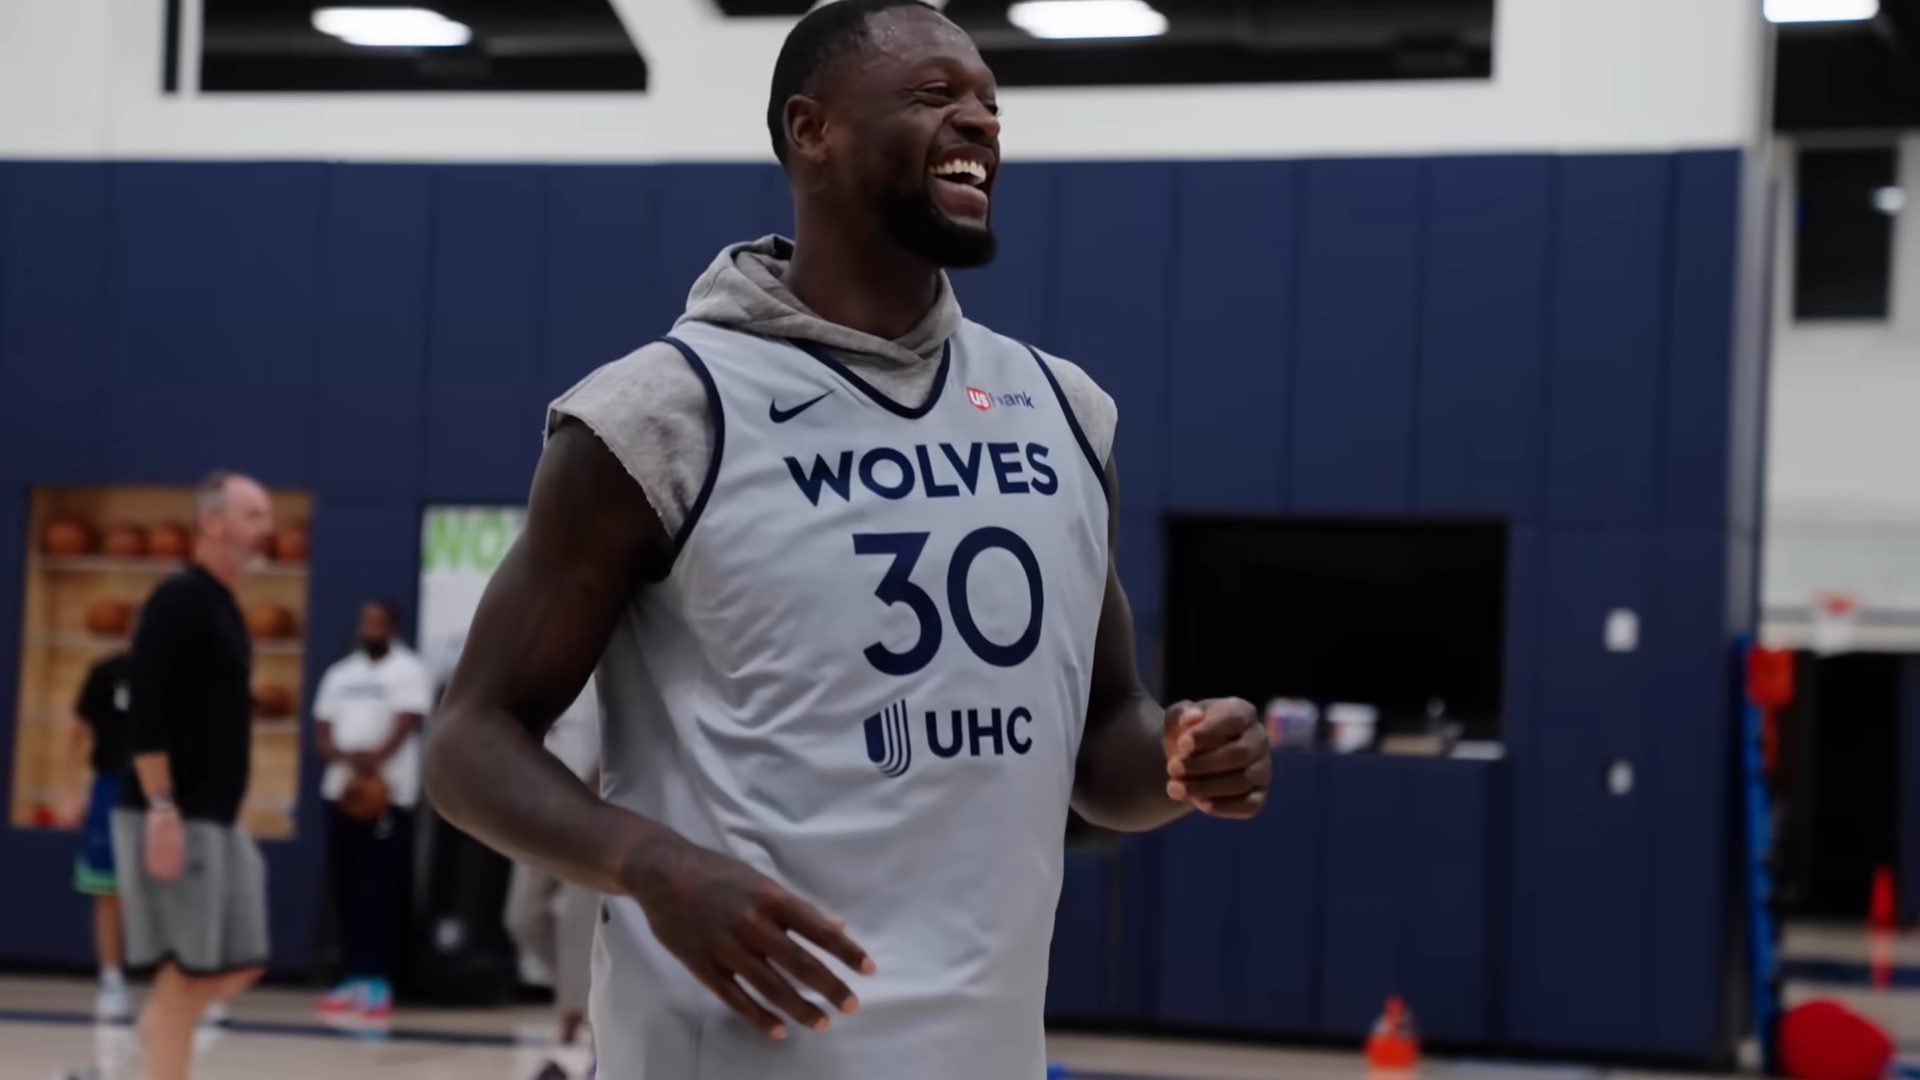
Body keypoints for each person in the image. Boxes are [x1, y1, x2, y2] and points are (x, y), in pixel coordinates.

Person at [425, 1, 1273, 1076]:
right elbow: (470, 742)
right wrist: (652, 864)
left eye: (990, 103)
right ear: (810, 129)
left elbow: (1102, 736)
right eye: (934, 95)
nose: (980, 122)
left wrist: (1181, 759)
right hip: (729, 1050)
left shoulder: (1062, 410)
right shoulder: (660, 415)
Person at [113, 470, 274, 1080]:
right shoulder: (177, 598)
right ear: (211, 523)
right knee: (185, 971)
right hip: (173, 812)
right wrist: (161, 807)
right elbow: (145, 710)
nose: (266, 530)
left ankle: (150, 1040)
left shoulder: (222, 604)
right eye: (252, 516)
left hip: (218, 818)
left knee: (243, 960)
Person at [312, 599, 433, 1023]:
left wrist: (370, 763)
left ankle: (377, 980)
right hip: (341, 792)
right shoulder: (340, 674)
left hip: (389, 795)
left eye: (379, 623)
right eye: (366, 622)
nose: (371, 629)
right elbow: (322, 730)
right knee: (344, 888)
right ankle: (350, 977)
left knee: (378, 891)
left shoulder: (408, 670)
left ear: (393, 628)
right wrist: (347, 760)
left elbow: (406, 723)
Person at [504, 681, 601, 1080]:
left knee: (578, 927)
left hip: (591, 816)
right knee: (522, 917)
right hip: (541, 813)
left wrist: (592, 798)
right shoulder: (543, 675)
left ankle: (575, 1019)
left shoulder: (605, 680)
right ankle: (579, 997)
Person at [57, 650, 135, 1024]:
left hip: (167, 790)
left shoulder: (180, 669)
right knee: (107, 889)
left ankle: (185, 980)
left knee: (176, 890)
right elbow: (76, 732)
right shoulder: (108, 671)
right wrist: (68, 791)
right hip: (113, 785)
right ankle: (111, 980)